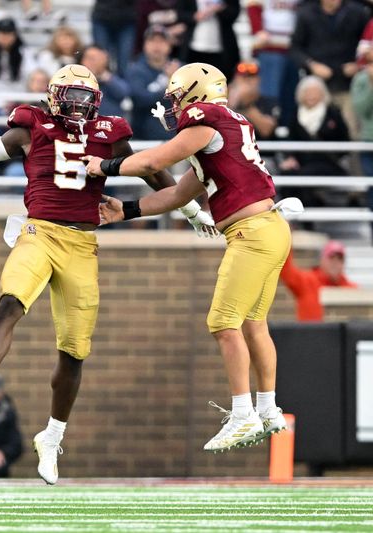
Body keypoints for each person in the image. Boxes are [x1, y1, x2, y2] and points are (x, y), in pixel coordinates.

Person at [0, 64, 217, 484]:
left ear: (95, 100)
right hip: (38, 231)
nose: (79, 106)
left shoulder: (110, 131)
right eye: (71, 97)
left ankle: (53, 435)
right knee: (10, 302)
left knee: (74, 351)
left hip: (82, 243)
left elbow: (154, 173)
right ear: (55, 97)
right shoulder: (32, 125)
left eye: (86, 98)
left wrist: (190, 210)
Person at [87, 62, 291, 453]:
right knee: (253, 322)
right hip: (271, 228)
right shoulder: (223, 129)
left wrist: (105, 165)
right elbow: (179, 194)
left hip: (252, 233)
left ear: (197, 93)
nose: (174, 105)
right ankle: (268, 409)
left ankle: (242, 414)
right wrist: (127, 211)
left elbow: (152, 162)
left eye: (178, 95)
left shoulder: (206, 118)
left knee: (222, 322)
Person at [289, 0, 370, 138]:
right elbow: (295, 48)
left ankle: (352, 159)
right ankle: (314, 160)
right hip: (317, 85)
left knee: (352, 130)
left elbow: (366, 43)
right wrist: (311, 64)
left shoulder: (357, 12)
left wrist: (358, 65)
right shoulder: (306, 13)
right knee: (313, 129)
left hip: (348, 84)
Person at [277, 76, 349, 209]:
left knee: (304, 176)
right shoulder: (295, 115)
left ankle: (308, 215)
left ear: (323, 94)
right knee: (287, 174)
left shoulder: (333, 114)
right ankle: (289, 215)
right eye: (307, 92)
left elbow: (345, 142)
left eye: (314, 92)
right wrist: (290, 157)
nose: (311, 96)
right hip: (302, 163)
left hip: (328, 163)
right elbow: (290, 139)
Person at [245, 0, 301, 127]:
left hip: (294, 48)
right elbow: (253, 6)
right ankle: (269, 128)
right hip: (269, 47)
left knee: (290, 94)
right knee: (270, 95)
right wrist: (258, 30)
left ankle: (287, 129)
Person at [280, 240, 358, 321]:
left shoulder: (351, 289)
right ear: (322, 260)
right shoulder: (306, 281)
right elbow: (286, 269)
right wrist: (286, 237)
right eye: (331, 257)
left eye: (340, 259)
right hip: (310, 332)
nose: (335, 262)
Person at [126, 25, 180, 140]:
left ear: (170, 45)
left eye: (162, 41)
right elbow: (140, 99)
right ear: (144, 45)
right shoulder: (135, 69)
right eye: (152, 41)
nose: (157, 45)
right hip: (144, 137)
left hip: (176, 136)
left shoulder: (181, 69)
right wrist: (169, 81)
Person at [177, 0, 240, 84]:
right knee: (193, 84)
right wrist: (194, 16)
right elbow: (180, 13)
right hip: (193, 48)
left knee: (219, 83)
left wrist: (220, 9)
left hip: (220, 50)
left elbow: (234, 13)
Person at [227, 61, 278, 141]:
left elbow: (266, 131)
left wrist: (246, 105)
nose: (248, 81)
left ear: (259, 80)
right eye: (244, 78)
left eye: (252, 77)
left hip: (258, 148)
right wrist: (233, 100)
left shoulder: (268, 102)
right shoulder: (224, 97)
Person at [79, 45, 131, 117]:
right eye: (88, 58)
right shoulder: (76, 80)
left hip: (109, 122)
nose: (90, 62)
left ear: (104, 60)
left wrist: (104, 76)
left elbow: (124, 93)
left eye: (94, 58)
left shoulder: (110, 79)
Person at [90, 0, 137, 76]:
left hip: (127, 19)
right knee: (100, 61)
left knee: (124, 64)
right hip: (102, 17)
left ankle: (120, 86)